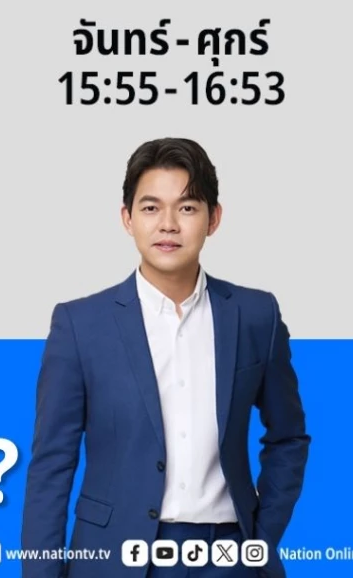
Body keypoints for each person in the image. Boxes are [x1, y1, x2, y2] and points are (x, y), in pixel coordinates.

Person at [20, 138, 308, 576]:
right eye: (151, 208)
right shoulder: (80, 325)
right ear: (127, 218)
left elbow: (288, 437)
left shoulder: (256, 315)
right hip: (116, 559)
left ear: (213, 218)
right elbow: (52, 464)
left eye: (187, 208)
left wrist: (261, 538)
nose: (168, 224)